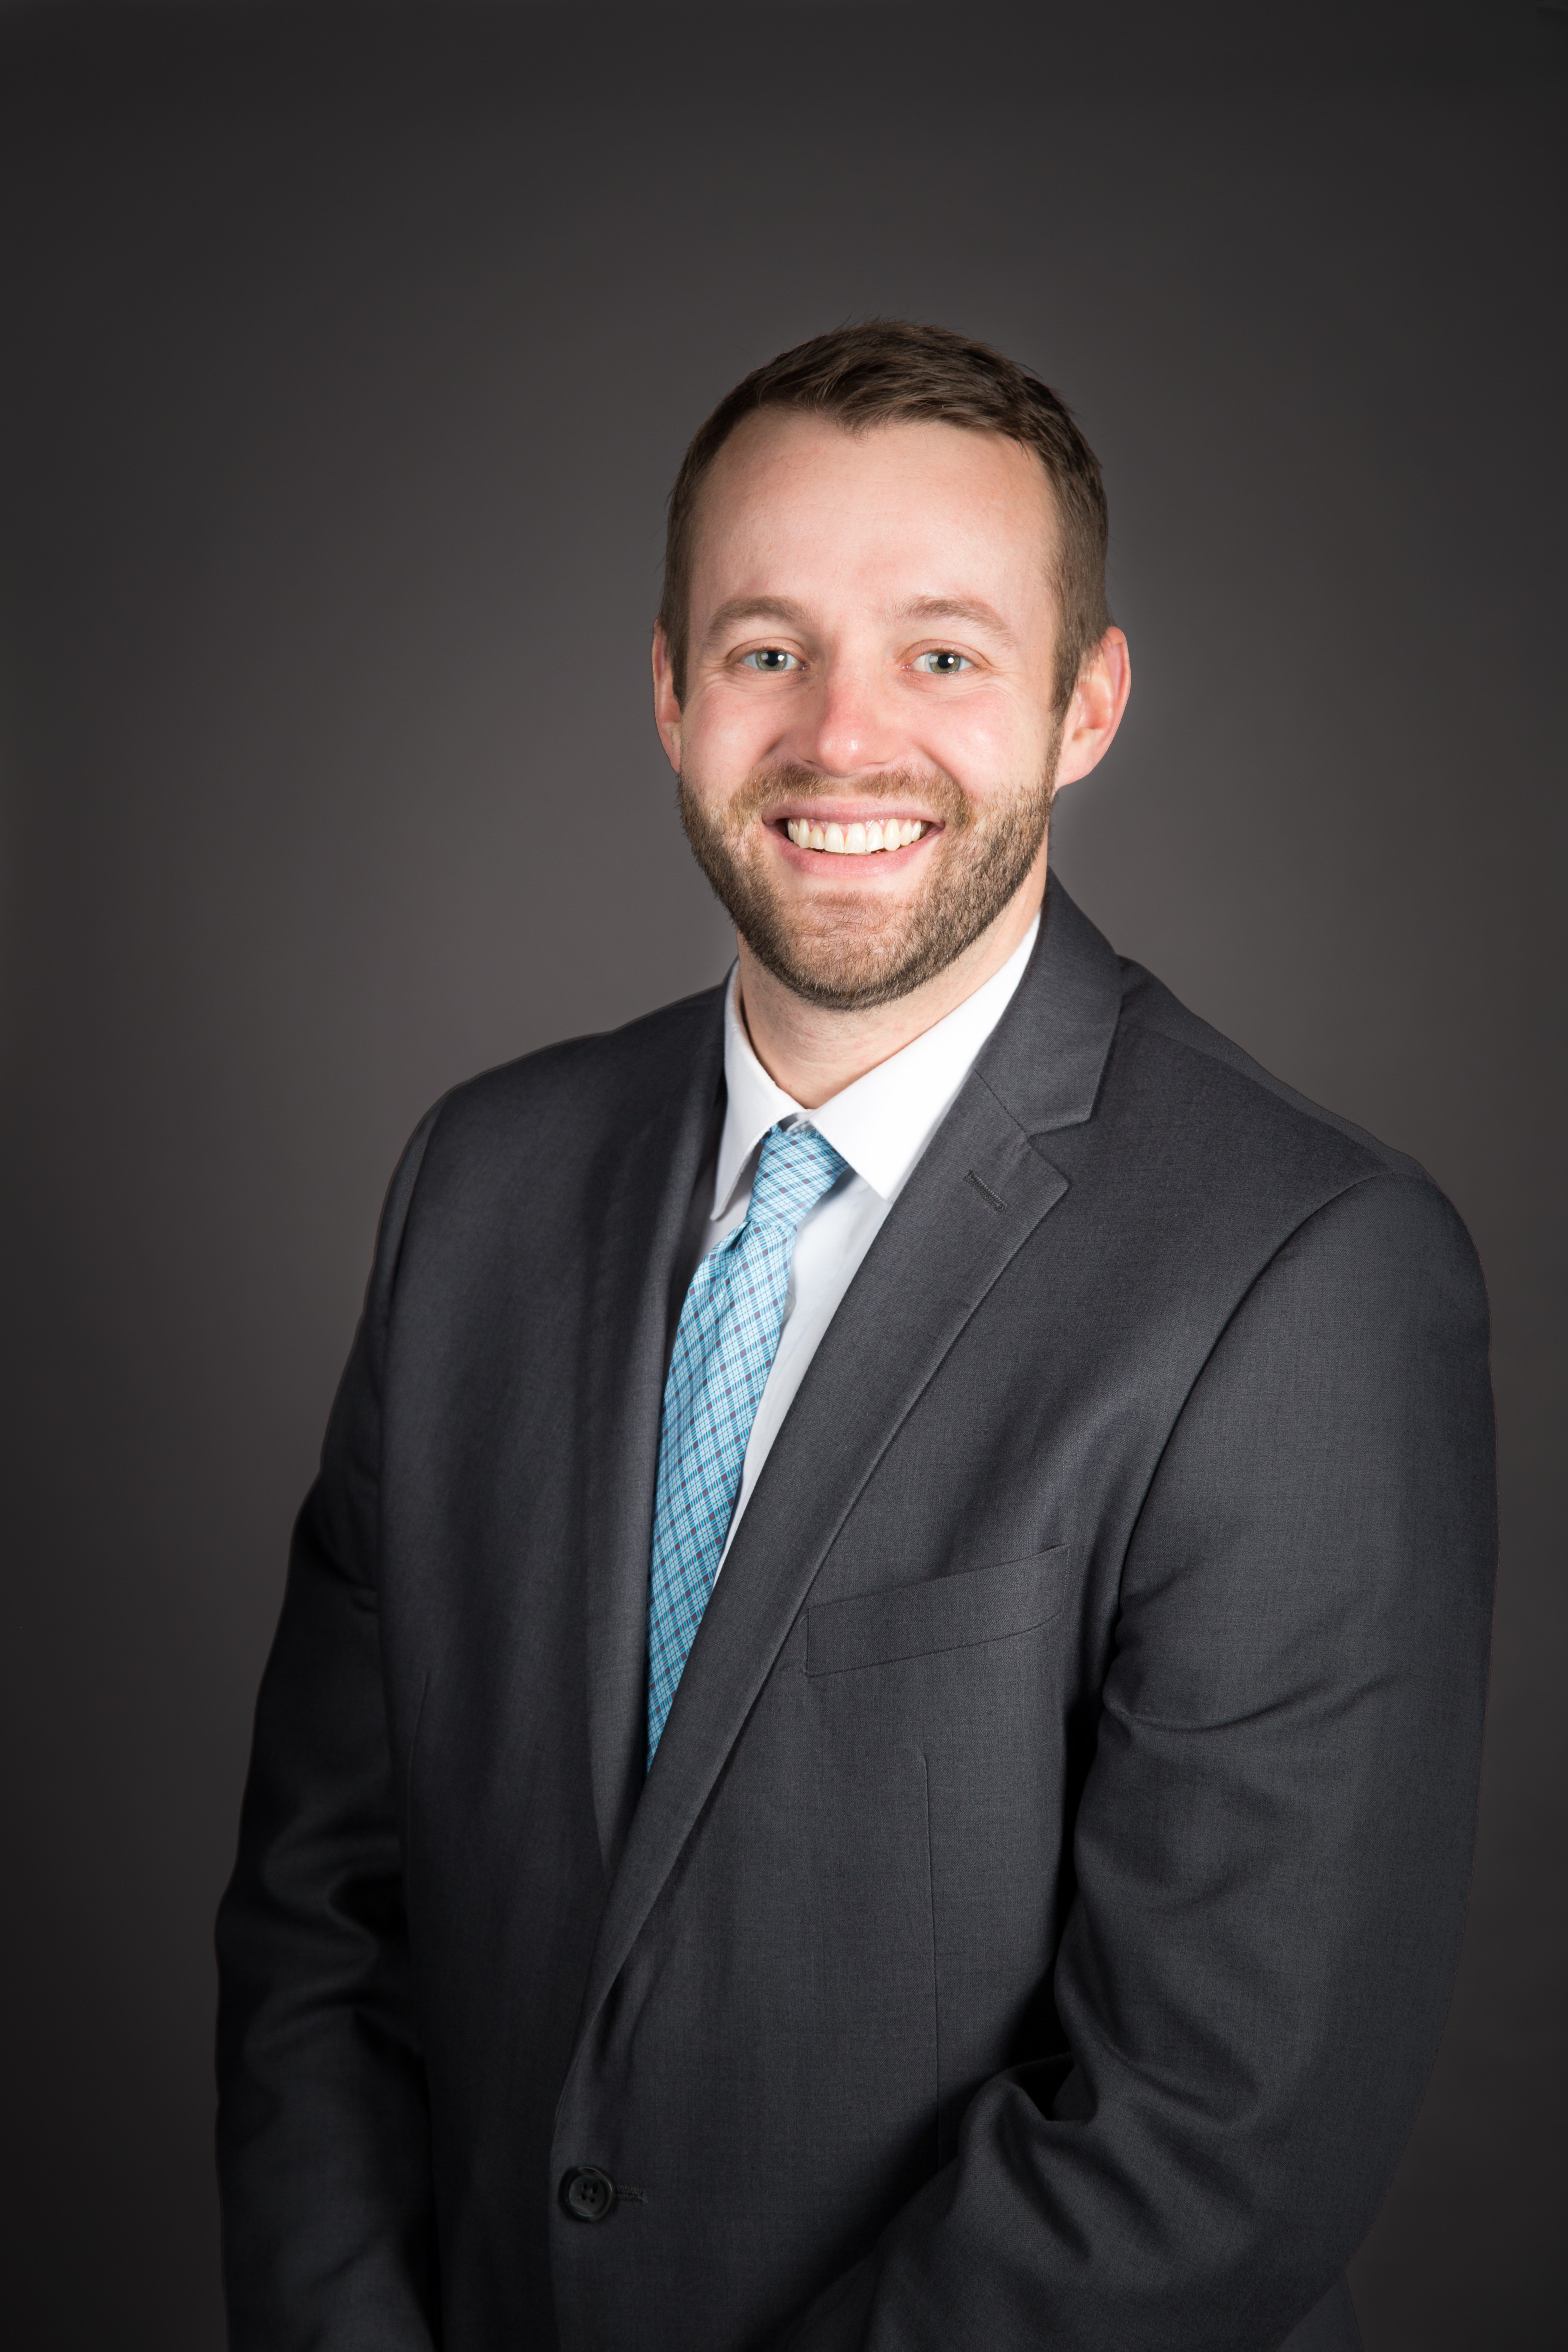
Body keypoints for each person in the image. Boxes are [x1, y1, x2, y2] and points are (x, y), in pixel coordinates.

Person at [215, 322, 1495, 2352]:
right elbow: (323, 1917)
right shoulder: (481, 1184)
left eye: (945, 654)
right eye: (767, 649)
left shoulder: (1307, 1272)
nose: (841, 738)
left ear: (1088, 704)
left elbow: (1209, 2140)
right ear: (669, 690)